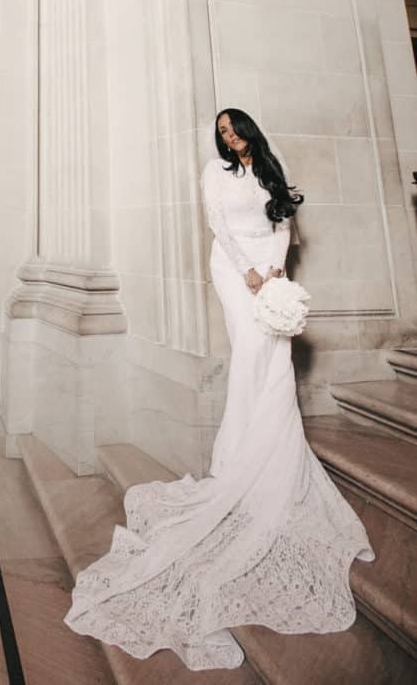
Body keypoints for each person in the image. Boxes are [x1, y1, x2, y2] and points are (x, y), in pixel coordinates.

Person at [64, 107, 374, 671]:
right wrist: (249, 273)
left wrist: (276, 271)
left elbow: (282, 224)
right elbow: (218, 224)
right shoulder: (216, 171)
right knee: (253, 347)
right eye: (222, 133)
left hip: (270, 268)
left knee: (273, 351)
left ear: (250, 131)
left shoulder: (269, 171)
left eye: (235, 130)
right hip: (233, 270)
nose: (229, 138)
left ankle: (267, 447)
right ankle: (239, 457)